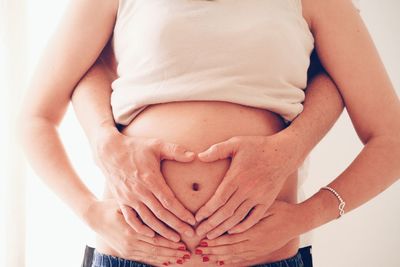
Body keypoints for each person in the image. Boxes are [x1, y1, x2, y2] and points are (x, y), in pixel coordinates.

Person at [18, 0, 400, 266]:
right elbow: (36, 117)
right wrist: (92, 213)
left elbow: (391, 138)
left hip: (264, 260)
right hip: (130, 256)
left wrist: (305, 217)